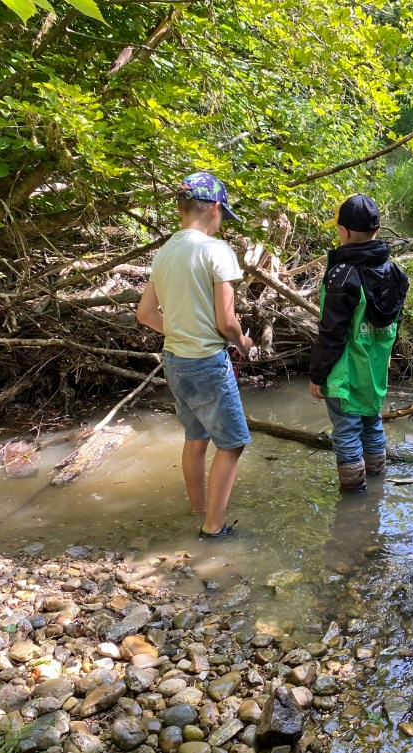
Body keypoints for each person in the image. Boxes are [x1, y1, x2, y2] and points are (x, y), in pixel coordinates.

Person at [136, 172, 253, 540]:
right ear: (215, 208)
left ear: (180, 208)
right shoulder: (216, 251)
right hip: (206, 363)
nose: (222, 224)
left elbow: (145, 313)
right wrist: (244, 343)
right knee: (233, 444)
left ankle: (199, 508)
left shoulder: (165, 252)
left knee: (196, 435)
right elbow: (227, 322)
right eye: (222, 216)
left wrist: (179, 331)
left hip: (174, 361)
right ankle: (213, 528)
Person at [308, 193, 409, 492]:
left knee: (346, 429)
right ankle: (376, 487)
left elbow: (332, 331)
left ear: (345, 231)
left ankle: (353, 498)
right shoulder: (394, 272)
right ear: (377, 229)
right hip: (374, 369)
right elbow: (394, 324)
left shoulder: (342, 273)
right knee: (371, 421)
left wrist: (318, 374)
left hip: (345, 373)